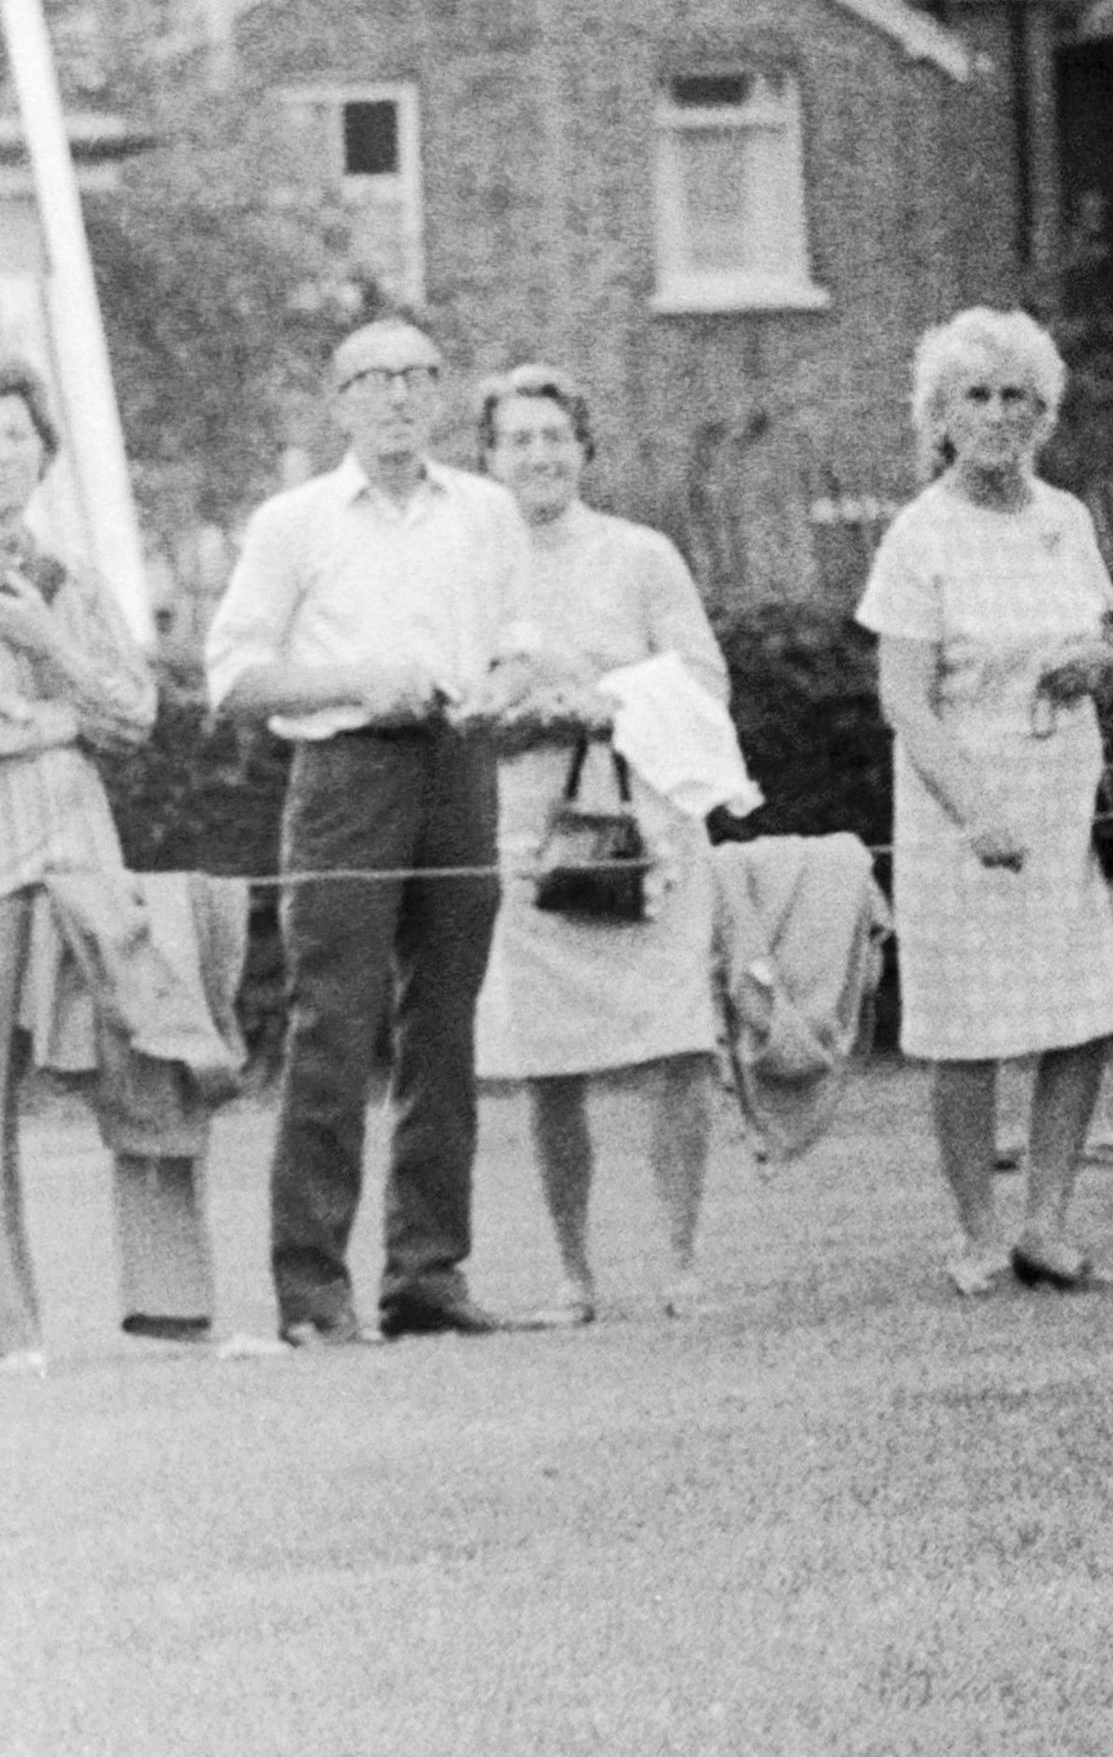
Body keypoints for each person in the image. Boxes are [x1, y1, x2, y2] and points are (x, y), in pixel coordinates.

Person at [205, 316, 532, 1347]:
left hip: (457, 766)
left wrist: (501, 690)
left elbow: (520, 646)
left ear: (439, 393)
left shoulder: (484, 511)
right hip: (345, 770)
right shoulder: (295, 521)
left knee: (447, 1027)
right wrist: (358, 680)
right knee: (332, 1026)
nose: (395, 396)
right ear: (338, 400)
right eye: (372, 379)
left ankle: (427, 1274)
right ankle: (313, 1292)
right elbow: (235, 678)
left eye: (414, 377)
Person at [858, 306, 1113, 1295]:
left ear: (1043, 409)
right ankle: (977, 1229)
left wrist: (1098, 666)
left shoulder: (1067, 519)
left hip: (1065, 788)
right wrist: (974, 809)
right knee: (965, 1024)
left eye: (1014, 394)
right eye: (974, 395)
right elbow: (902, 695)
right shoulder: (918, 535)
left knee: (1080, 1009)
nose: (995, 413)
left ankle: (1047, 1223)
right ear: (939, 412)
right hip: (959, 803)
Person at [468, 367, 731, 1325]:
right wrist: (513, 710)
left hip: (648, 823)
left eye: (555, 436)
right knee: (550, 1058)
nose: (539, 455)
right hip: (530, 832)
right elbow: (458, 695)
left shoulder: (642, 554)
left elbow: (703, 679)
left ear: (585, 447)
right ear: (489, 457)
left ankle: (682, 1260)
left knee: (677, 1043)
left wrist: (601, 696)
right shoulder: (474, 565)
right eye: (518, 439)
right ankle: (573, 1274)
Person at [0, 363, 187, 1366]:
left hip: (80, 860)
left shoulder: (71, 580)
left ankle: (169, 1312)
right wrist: (46, 729)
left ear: (43, 453)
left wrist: (46, 653)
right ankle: (8, 1329)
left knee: (147, 1070)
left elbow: (137, 713)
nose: (2, 455)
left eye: (18, 437)